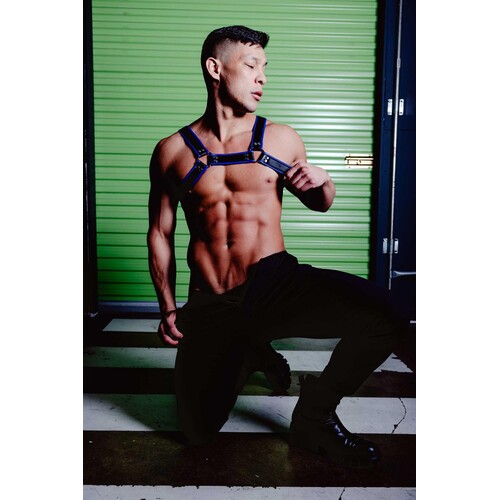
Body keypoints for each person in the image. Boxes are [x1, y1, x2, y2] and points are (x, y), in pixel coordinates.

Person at [147, 25, 408, 468]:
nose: (262, 77)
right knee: (196, 432)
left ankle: (314, 417)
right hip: (211, 300)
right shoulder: (172, 151)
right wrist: (168, 306)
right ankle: (253, 350)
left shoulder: (281, 139)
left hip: (274, 282)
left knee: (388, 314)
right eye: (251, 65)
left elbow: (320, 202)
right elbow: (159, 232)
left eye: (265, 67)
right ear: (215, 68)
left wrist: (325, 181)